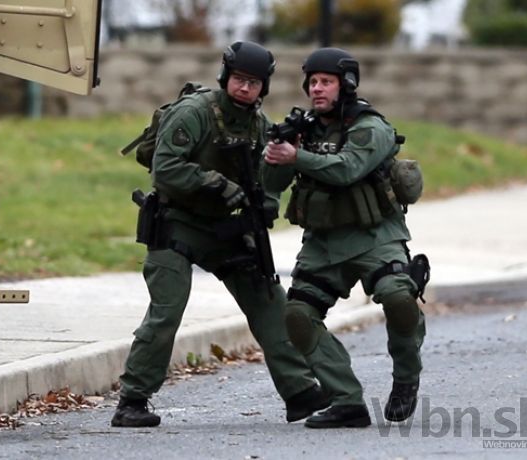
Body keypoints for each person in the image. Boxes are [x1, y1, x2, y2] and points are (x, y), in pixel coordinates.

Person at [111, 41, 329, 428]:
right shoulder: (195, 112)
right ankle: (133, 399)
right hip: (175, 223)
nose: (245, 89)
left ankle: (299, 392)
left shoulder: (260, 126)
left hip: (224, 229)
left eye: (254, 83)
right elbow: (165, 169)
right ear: (226, 77)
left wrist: (267, 198)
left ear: (265, 88)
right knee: (167, 310)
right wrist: (215, 183)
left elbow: (266, 177)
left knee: (268, 299)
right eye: (240, 80)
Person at [262, 48, 427, 428]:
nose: (316, 89)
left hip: (375, 235)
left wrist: (297, 157)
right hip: (323, 241)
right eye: (312, 83)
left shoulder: (370, 126)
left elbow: (347, 169)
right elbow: (271, 184)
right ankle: (346, 400)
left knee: (399, 297)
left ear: (346, 84)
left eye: (326, 82)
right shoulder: (303, 129)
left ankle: (406, 376)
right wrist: (274, 156)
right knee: (299, 317)